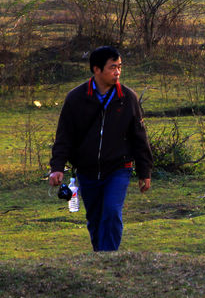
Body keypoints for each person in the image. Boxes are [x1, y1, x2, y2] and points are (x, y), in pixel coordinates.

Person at [48, 46, 153, 252]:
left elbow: (140, 137)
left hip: (118, 168)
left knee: (112, 213)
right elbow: (64, 137)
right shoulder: (76, 98)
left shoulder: (128, 98)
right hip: (87, 170)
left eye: (120, 67)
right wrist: (57, 167)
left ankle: (109, 258)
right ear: (97, 69)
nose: (117, 72)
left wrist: (144, 172)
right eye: (112, 67)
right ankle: (100, 259)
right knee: (95, 218)